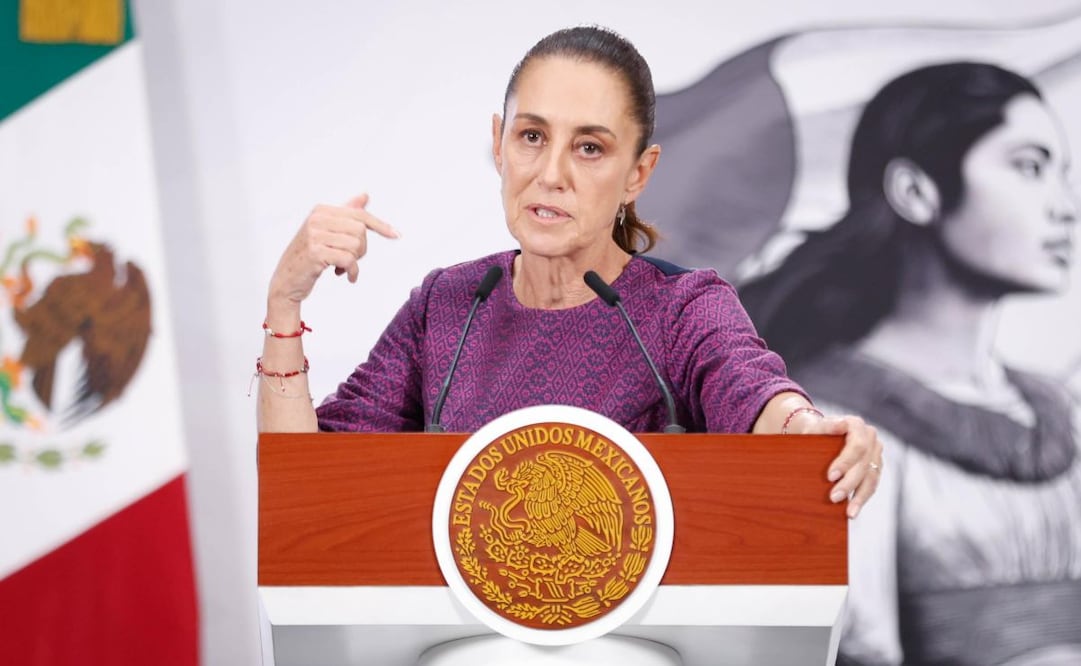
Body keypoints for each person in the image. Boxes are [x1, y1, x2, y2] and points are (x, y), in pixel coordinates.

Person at [256, 26, 883, 519]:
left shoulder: (682, 308)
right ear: (499, 144)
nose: (550, 172)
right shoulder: (446, 304)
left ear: (638, 174)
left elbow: (753, 395)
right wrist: (284, 304)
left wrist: (812, 431)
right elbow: (304, 483)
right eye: (531, 137)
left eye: (590, 147)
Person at [739, 63, 1081, 665]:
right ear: (916, 192)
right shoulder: (829, 423)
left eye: (1064, 174)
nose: (1066, 208)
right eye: (1029, 167)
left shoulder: (1062, 408)